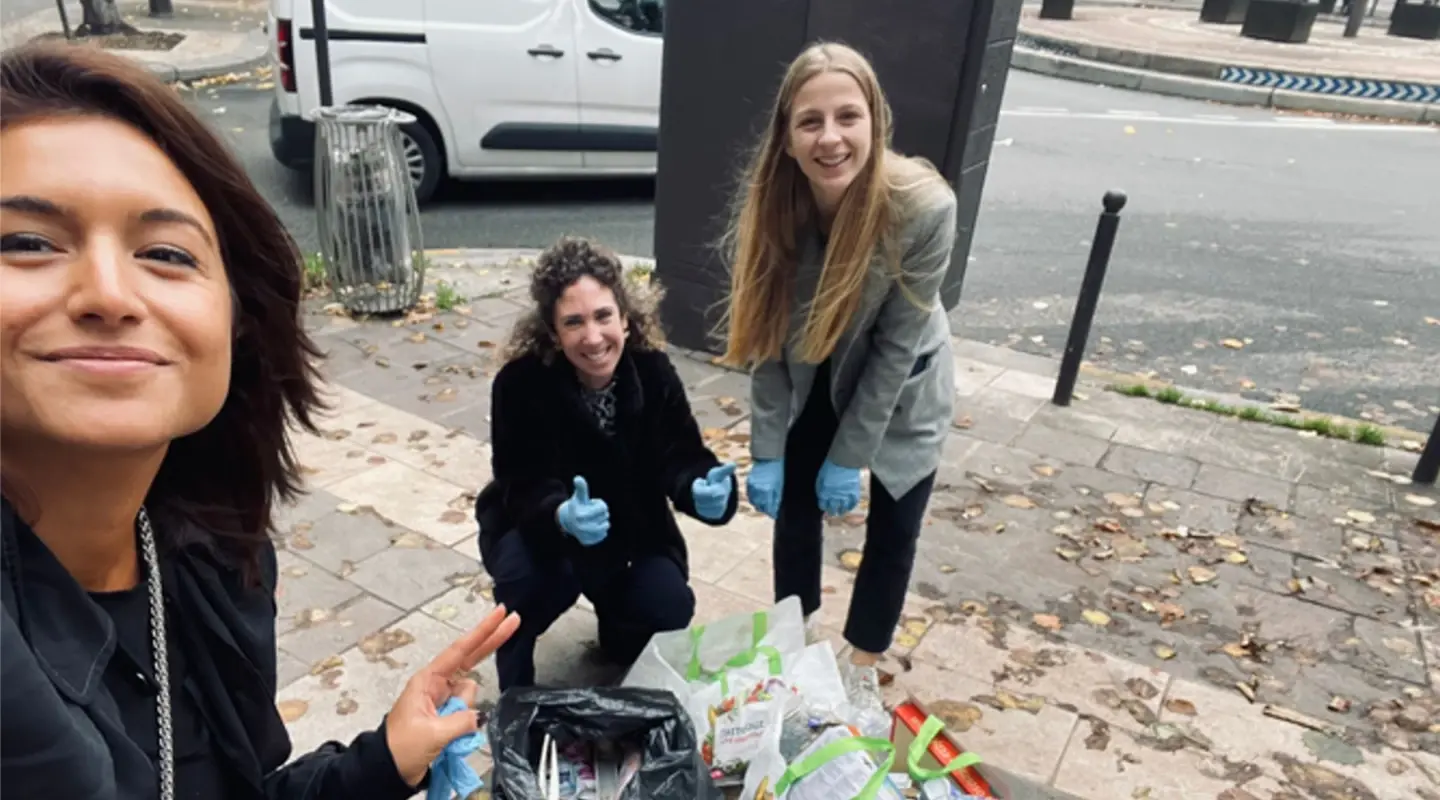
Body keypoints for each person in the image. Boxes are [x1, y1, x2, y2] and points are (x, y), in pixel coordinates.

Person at [0, 41, 519, 800]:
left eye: (166, 253)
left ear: (238, 320)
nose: (109, 293)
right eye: (28, 242)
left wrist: (383, 759)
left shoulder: (210, 565)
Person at [718, 42, 958, 692]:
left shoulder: (925, 209)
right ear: (787, 138)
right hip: (817, 368)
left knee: (894, 525)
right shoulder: (774, 205)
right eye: (810, 121)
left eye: (848, 116)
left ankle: (860, 663)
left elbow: (893, 351)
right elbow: (765, 333)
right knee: (794, 509)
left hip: (902, 386)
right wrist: (766, 448)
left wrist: (850, 455)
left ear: (876, 122)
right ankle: (796, 640)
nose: (831, 138)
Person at [475, 236, 740, 691]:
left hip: (631, 529)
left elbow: (680, 452)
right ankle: (515, 672)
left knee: (667, 604)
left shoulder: (653, 370)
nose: (593, 337)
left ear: (625, 316)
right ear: (553, 331)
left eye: (603, 316)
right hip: (545, 534)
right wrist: (559, 515)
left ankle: (619, 630)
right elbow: (520, 481)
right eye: (573, 322)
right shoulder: (519, 384)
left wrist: (700, 489)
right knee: (528, 582)